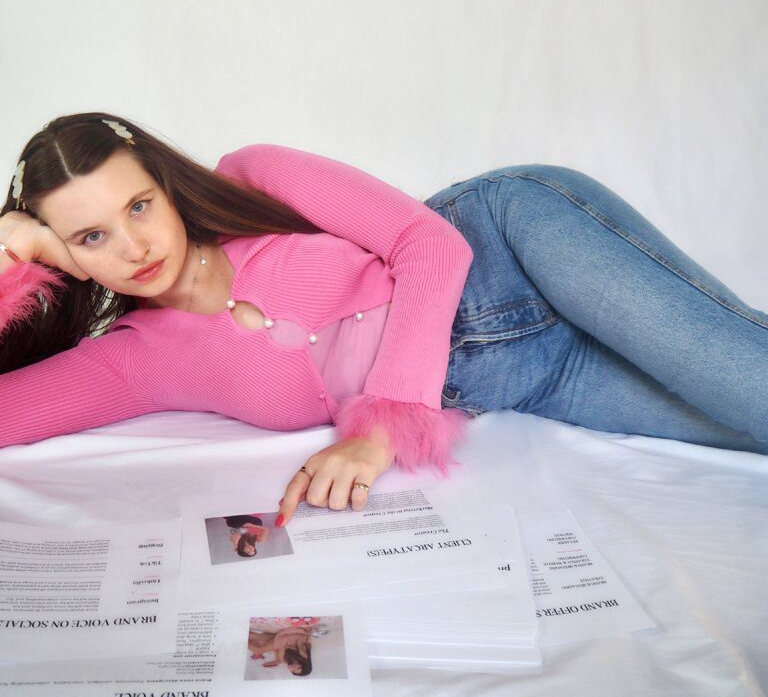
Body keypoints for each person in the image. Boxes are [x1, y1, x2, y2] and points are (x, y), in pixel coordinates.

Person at [1, 113, 766, 530]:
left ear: (164, 187)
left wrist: (379, 429)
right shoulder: (133, 359)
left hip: (518, 245)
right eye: (91, 237)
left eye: (138, 207)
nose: (134, 246)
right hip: (530, 377)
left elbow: (427, 241)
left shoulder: (251, 175)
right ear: (63, 260)